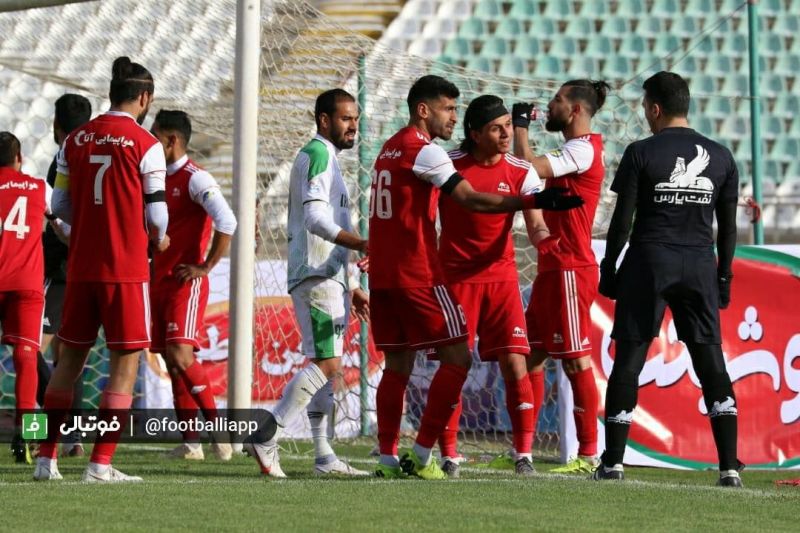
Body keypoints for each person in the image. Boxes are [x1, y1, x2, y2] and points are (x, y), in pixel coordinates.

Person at [370, 75, 583, 480]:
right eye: (448, 108)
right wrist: (531, 199)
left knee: (399, 364)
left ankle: (389, 460)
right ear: (424, 110)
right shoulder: (435, 154)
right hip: (430, 275)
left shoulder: (390, 146)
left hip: (396, 274)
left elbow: (395, 211)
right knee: (457, 359)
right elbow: (468, 198)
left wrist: (545, 238)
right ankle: (428, 454)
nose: (452, 116)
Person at [592, 71, 741, 487]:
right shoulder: (722, 156)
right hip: (699, 263)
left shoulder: (641, 152)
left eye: (645, 108)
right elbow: (728, 229)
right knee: (711, 361)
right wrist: (724, 277)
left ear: (655, 108)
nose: (645, 114)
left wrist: (609, 268)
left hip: (650, 261)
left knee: (630, 359)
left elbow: (622, 221)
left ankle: (613, 463)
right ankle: (729, 468)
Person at [34, 56, 169, 483]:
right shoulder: (146, 144)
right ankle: (100, 464)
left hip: (80, 268)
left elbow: (58, 206)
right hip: (125, 269)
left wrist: (85, 230)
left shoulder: (74, 141)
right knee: (124, 366)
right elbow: (158, 216)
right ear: (144, 98)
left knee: (67, 363)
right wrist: (157, 238)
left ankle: (46, 460)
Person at [245, 89, 369, 477]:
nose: (353, 126)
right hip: (316, 274)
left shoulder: (327, 158)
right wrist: (363, 244)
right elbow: (315, 220)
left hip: (330, 275)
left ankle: (323, 455)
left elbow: (331, 223)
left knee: (327, 365)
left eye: (356, 119)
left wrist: (352, 283)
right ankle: (268, 432)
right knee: (328, 363)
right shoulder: (317, 154)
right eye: (346, 118)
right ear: (324, 120)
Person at [435, 95, 555, 477]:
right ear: (475, 134)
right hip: (456, 279)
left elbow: (536, 223)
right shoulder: (447, 165)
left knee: (516, 361)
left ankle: (524, 454)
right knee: (454, 365)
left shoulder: (521, 170)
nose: (506, 134)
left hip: (501, 277)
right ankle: (449, 455)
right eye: (496, 129)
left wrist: (546, 242)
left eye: (508, 126)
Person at [512, 79, 610, 474]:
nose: (550, 105)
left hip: (571, 267)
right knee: (531, 357)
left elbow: (527, 168)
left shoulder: (583, 149)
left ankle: (588, 455)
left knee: (575, 361)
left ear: (576, 110)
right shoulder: (573, 149)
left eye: (557, 100)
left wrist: (520, 128)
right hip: (552, 266)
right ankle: (524, 452)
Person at [149, 110, 237, 462]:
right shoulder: (154, 179)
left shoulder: (195, 178)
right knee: (171, 363)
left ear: (171, 140)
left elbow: (227, 221)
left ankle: (219, 431)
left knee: (182, 356)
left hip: (185, 282)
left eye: (155, 136)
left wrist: (206, 266)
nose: (149, 142)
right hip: (158, 281)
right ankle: (191, 443)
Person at [39, 93, 92, 459]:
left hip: (58, 266)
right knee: (71, 352)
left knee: (30, 349)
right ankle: (73, 435)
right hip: (89, 266)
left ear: (56, 125)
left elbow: (56, 214)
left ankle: (46, 430)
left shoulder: (61, 161)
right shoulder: (99, 155)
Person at [0, 132, 48, 464]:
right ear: (19, 158)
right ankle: (30, 434)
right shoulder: (38, 188)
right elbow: (62, 221)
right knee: (28, 359)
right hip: (28, 284)